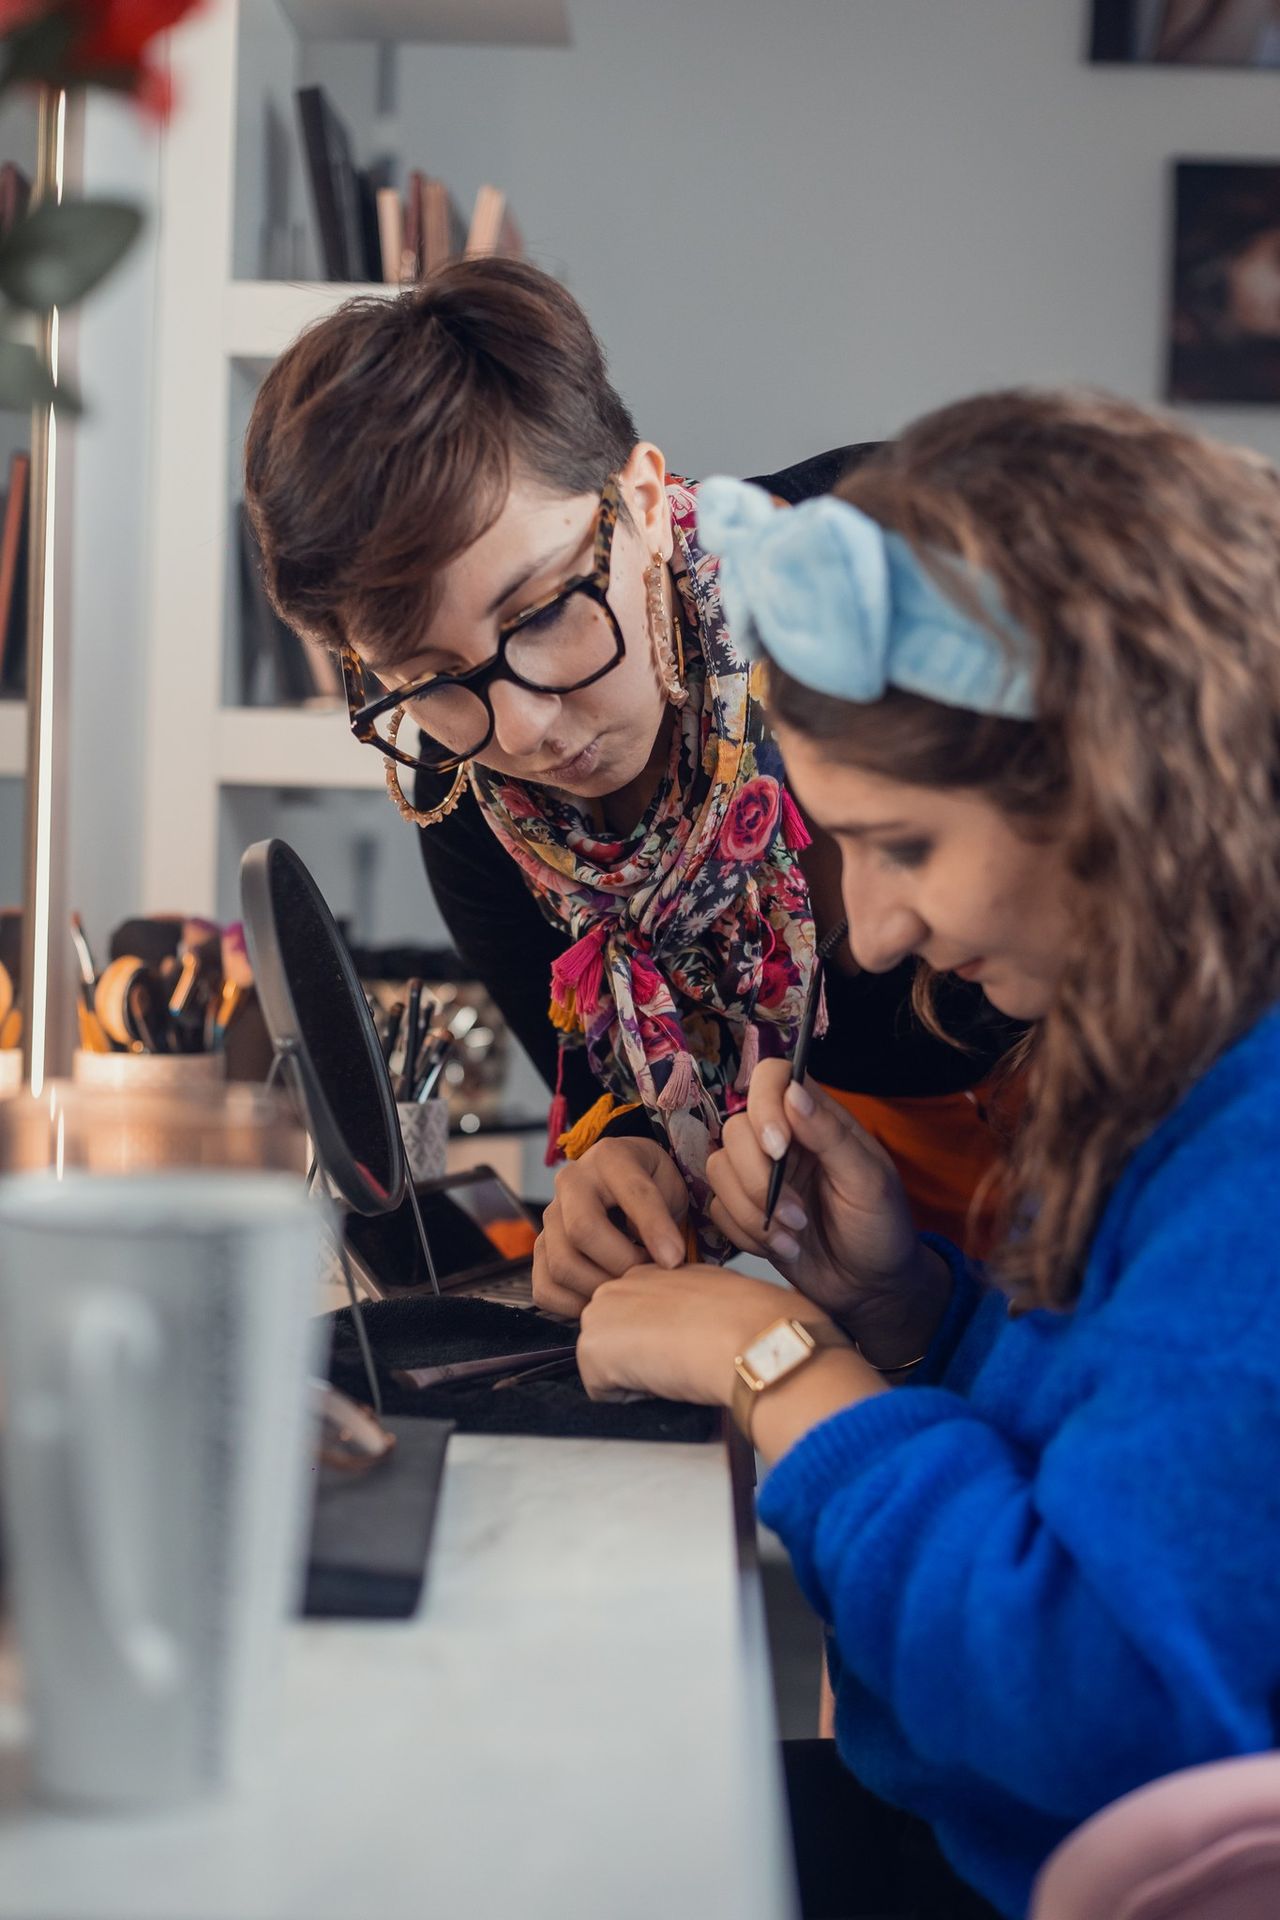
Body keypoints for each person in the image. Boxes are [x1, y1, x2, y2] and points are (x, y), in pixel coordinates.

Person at [575, 389, 1280, 1919]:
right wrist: (914, 1319)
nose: (877, 934)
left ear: (1116, 786)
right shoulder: (1205, 1053)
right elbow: (1147, 1486)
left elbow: (1094, 1698)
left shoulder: (1261, 1145)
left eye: (903, 846)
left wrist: (777, 1365)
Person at [243, 257, 1020, 1287]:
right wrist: (620, 1173)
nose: (522, 729)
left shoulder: (897, 562)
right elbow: (619, 1105)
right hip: (904, 1294)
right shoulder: (477, 811)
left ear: (645, 501)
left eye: (540, 615)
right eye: (427, 680)